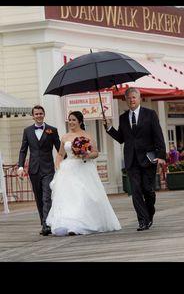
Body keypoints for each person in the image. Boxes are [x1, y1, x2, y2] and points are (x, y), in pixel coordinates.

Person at [46, 111, 121, 236]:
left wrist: (85, 154)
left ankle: (81, 223)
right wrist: (58, 165)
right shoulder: (65, 137)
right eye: (69, 120)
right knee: (68, 197)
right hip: (68, 169)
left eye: (74, 120)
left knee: (83, 195)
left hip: (83, 168)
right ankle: (68, 224)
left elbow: (95, 152)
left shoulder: (87, 136)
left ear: (80, 122)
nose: (71, 122)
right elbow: (60, 154)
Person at [103, 87, 166, 231]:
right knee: (136, 191)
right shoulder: (123, 117)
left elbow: (158, 135)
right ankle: (142, 220)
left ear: (139, 98)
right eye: (128, 98)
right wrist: (109, 128)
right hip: (131, 160)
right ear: (125, 100)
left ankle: (149, 212)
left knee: (148, 190)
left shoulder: (150, 114)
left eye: (133, 97)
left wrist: (161, 155)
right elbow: (121, 138)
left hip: (148, 159)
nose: (131, 100)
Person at [17, 105, 61, 236]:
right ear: (33, 116)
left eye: (41, 113)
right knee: (39, 197)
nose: (39, 116)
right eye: (36, 114)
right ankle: (43, 222)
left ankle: (47, 225)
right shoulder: (27, 131)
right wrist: (20, 166)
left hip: (48, 168)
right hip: (33, 169)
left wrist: (66, 161)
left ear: (44, 114)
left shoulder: (52, 130)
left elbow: (60, 149)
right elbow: (23, 150)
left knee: (47, 196)